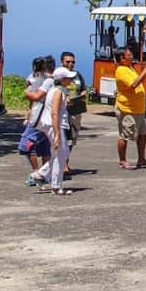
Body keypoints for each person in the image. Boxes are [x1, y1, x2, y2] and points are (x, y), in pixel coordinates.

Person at [30, 66, 75, 195]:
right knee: (60, 154)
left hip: (52, 124)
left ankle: (40, 174)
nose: (70, 80)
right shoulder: (58, 92)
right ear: (62, 79)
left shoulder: (55, 90)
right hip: (53, 125)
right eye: (68, 78)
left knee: (62, 153)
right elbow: (54, 113)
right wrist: (57, 134)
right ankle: (56, 186)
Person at [114, 47, 146, 169]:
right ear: (122, 58)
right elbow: (133, 84)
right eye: (129, 55)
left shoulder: (130, 68)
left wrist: (145, 72)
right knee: (125, 135)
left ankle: (141, 159)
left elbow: (138, 81)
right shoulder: (121, 70)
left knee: (142, 134)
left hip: (138, 108)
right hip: (128, 109)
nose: (131, 56)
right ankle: (122, 160)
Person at [20, 57, 52, 185]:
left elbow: (33, 96)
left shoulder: (35, 78)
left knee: (27, 144)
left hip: (37, 117)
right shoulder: (50, 79)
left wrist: (26, 93)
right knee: (45, 146)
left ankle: (36, 173)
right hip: (46, 117)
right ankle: (45, 174)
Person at [60, 51, 86, 174]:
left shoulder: (77, 75)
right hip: (63, 110)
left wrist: (83, 94)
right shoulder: (59, 75)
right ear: (62, 62)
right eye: (68, 62)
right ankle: (63, 164)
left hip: (76, 110)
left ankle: (66, 161)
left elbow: (83, 89)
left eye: (72, 62)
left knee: (72, 138)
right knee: (64, 137)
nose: (70, 64)